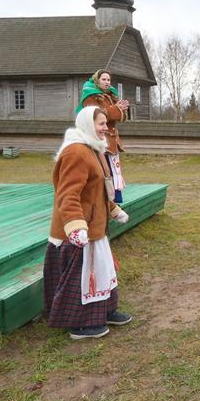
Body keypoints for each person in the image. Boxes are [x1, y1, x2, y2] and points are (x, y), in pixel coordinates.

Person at [44, 106, 132, 340]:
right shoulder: (76, 152)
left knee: (103, 272)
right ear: (86, 124)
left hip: (96, 228)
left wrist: (113, 210)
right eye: (101, 124)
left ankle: (105, 311)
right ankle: (81, 324)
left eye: (106, 123)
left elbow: (99, 189)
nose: (106, 128)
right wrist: (75, 225)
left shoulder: (95, 150)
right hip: (80, 232)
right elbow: (68, 194)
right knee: (83, 279)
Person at [78, 69, 129, 203]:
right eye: (104, 79)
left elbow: (118, 117)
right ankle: (101, 200)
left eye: (108, 80)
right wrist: (116, 109)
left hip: (111, 139)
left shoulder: (111, 95)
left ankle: (114, 201)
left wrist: (122, 109)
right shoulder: (90, 96)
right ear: (97, 80)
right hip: (98, 138)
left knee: (113, 170)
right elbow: (95, 114)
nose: (107, 82)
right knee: (101, 171)